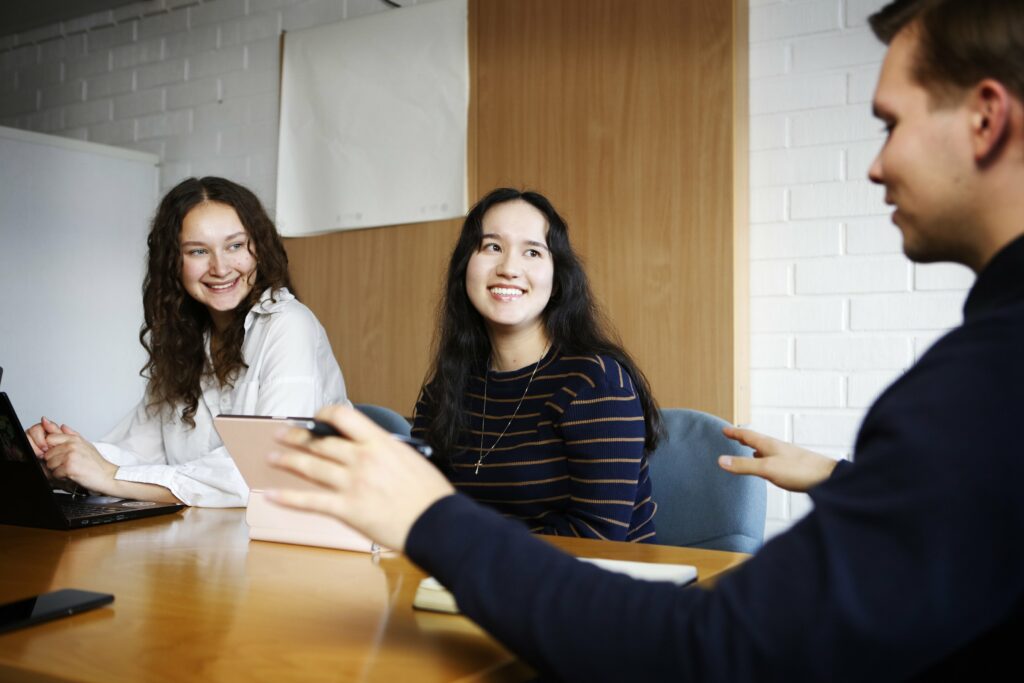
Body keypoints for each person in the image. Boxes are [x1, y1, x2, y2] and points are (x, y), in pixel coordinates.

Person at [266, 0, 1024, 679]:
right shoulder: (983, 389)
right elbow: (968, 516)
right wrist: (847, 479)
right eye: (489, 246)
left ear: (987, 118)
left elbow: (710, 646)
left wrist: (430, 516)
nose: (875, 162)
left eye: (890, 124)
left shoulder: (982, 381)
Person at [26, 177, 348, 507]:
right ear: (173, 263)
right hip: (216, 536)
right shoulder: (185, 345)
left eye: (235, 245)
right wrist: (63, 455)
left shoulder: (289, 325)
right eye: (198, 251)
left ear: (259, 250)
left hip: (301, 540)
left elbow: (267, 470)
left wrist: (107, 475)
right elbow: (136, 454)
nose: (220, 268)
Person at [410, 188, 663, 541]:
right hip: (472, 586)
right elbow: (416, 511)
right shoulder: (446, 388)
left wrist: (466, 549)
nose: (509, 268)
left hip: (592, 588)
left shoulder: (596, 382)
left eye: (532, 252)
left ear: (557, 277)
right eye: (492, 247)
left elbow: (596, 538)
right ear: (464, 266)